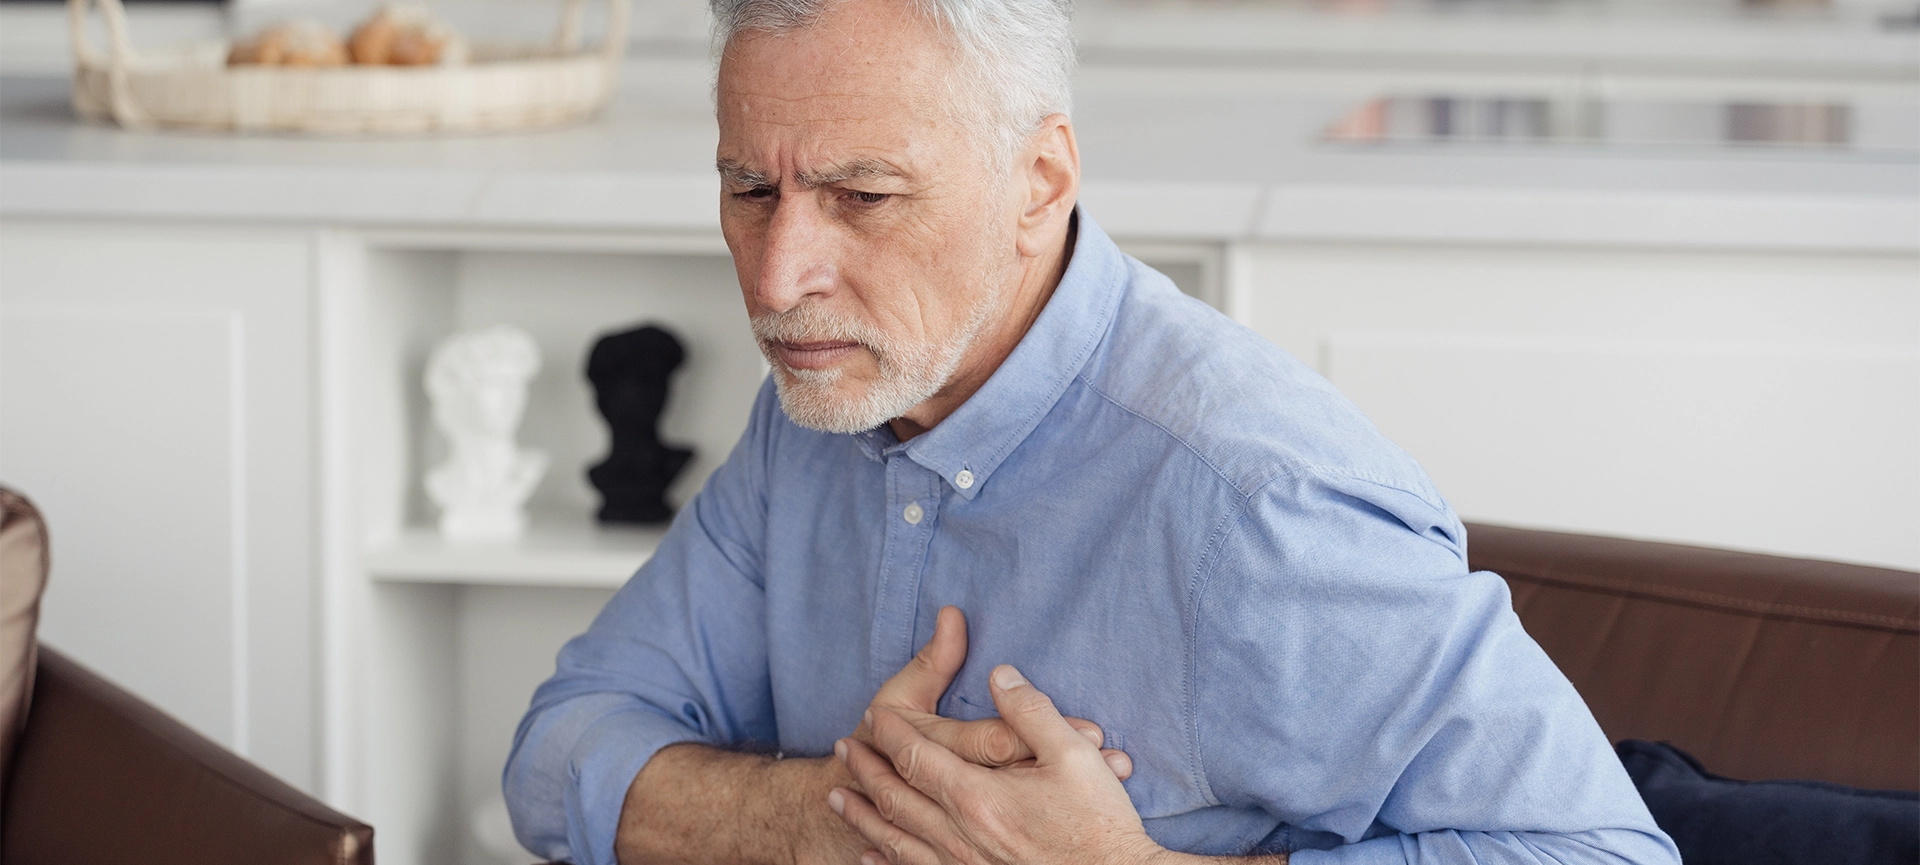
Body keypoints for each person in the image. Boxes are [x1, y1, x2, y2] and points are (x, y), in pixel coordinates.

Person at [504, 0, 1682, 862]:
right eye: (750, 190)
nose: (778, 277)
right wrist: (835, 819)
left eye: (862, 196)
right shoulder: (818, 406)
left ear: (1039, 183)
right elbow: (558, 758)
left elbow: (1601, 850)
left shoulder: (1256, 500)